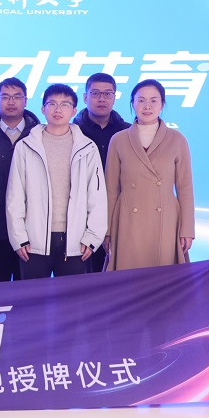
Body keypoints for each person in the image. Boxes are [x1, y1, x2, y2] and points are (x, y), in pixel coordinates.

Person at [6, 84, 106, 279]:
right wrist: (19, 238)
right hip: (33, 241)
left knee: (72, 298)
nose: (58, 109)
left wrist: (93, 237)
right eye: (52, 103)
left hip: (75, 241)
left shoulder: (88, 147)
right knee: (34, 297)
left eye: (65, 104)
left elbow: (97, 197)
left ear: (74, 111)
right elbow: (15, 196)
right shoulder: (25, 146)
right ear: (43, 109)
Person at [104, 79, 195, 270]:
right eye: (141, 100)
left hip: (166, 221)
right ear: (132, 103)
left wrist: (187, 229)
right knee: (129, 278)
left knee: (163, 279)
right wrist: (107, 231)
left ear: (162, 104)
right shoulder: (119, 140)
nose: (147, 106)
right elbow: (110, 190)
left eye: (153, 100)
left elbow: (185, 188)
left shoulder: (177, 139)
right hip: (127, 220)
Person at [0, 77, 41, 282]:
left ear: (26, 100)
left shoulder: (39, 136)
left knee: (29, 290)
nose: (11, 102)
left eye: (16, 97)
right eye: (5, 97)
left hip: (33, 229)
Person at [72, 72, 130, 273]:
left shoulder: (128, 132)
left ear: (115, 97)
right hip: (80, 214)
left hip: (120, 212)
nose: (102, 99)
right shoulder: (72, 131)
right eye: (95, 93)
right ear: (85, 97)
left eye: (108, 94)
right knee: (83, 277)